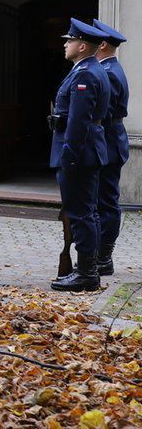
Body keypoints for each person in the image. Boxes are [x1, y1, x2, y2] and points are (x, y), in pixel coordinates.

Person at [50, 18, 112, 293]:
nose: (66, 44)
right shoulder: (89, 68)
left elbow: (78, 122)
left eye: (69, 40)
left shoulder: (86, 73)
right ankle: (86, 269)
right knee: (87, 212)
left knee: (81, 213)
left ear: (82, 45)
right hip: (88, 150)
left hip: (80, 152)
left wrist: (69, 155)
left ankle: (87, 274)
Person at [92, 18, 129, 277]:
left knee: (106, 201)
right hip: (109, 141)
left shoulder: (108, 73)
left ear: (102, 45)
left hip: (109, 143)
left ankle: (104, 257)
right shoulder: (110, 69)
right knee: (103, 199)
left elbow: (103, 114)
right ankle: (100, 255)